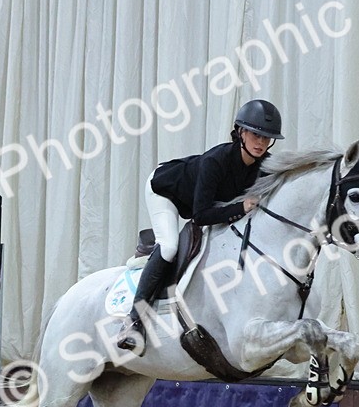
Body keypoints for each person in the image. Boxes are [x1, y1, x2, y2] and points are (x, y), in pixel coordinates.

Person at [115, 99, 285, 354]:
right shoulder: (216, 161)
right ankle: (133, 321)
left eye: (266, 137)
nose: (260, 142)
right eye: (255, 134)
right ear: (240, 132)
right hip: (166, 191)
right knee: (170, 247)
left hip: (202, 201)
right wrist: (240, 208)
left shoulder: (265, 166)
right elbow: (201, 216)